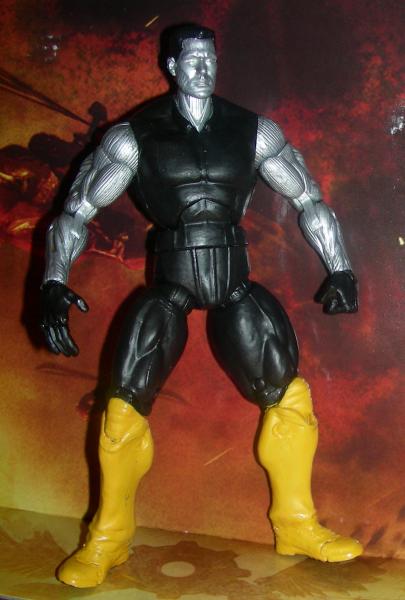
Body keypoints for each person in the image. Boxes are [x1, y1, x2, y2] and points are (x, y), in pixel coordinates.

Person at [40, 24, 362, 588]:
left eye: (210, 59)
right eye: (191, 60)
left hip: (235, 279)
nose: (203, 69)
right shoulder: (134, 136)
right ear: (171, 66)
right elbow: (77, 210)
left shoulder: (252, 130)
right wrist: (52, 280)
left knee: (289, 396)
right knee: (123, 406)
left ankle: (297, 525)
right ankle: (108, 538)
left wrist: (339, 266)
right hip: (171, 280)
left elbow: (307, 197)